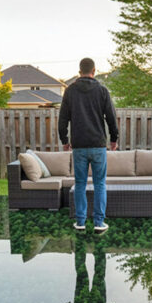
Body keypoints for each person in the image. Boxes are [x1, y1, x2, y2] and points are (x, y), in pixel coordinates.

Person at [58, 57, 118, 234]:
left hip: (79, 146)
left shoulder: (70, 91)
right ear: (94, 71)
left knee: (80, 183)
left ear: (79, 71)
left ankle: (81, 222)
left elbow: (63, 119)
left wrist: (65, 140)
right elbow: (112, 118)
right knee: (100, 184)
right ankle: (99, 223)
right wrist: (114, 139)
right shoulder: (102, 90)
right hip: (98, 145)